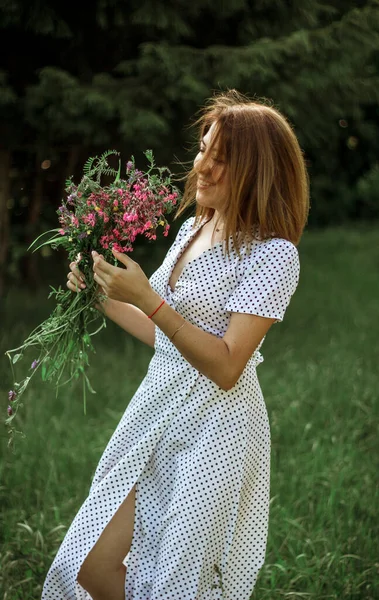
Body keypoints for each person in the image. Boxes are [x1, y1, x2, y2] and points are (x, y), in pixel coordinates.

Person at [41, 89, 309, 600]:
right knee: (89, 566)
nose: (203, 166)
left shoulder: (274, 256)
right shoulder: (193, 228)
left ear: (257, 171)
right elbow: (163, 335)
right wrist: (101, 296)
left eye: (222, 158)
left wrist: (149, 297)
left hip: (217, 428)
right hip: (157, 408)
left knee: (176, 585)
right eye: (203, 149)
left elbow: (229, 365)